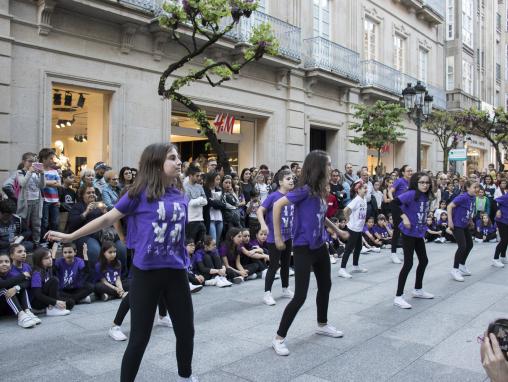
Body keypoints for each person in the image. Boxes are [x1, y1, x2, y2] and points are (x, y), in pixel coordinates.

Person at [46, 142, 198, 382]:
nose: (179, 162)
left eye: (178, 157)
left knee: (186, 332)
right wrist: (71, 236)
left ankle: (185, 376)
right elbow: (108, 218)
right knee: (139, 338)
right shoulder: (138, 194)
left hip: (176, 273)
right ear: (156, 163)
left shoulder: (180, 195)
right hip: (146, 274)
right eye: (172, 158)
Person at [271, 150, 345, 357]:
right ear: (318, 167)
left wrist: (336, 230)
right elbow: (277, 205)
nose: (331, 168)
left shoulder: (319, 190)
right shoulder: (303, 191)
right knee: (300, 296)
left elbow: (320, 216)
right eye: (328, 164)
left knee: (326, 286)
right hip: (303, 247)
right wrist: (277, 237)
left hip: (320, 244)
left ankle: (322, 324)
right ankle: (278, 338)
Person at [66, 186, 127, 279]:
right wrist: (86, 212)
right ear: (82, 195)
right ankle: (97, 279)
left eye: (93, 192)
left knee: (121, 247)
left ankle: (121, 277)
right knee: (95, 250)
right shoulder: (77, 207)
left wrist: (105, 212)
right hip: (87, 235)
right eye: (88, 193)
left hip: (106, 234)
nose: (92, 194)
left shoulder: (100, 206)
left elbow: (113, 221)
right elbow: (72, 224)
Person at [393, 172, 434, 309]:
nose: (425, 185)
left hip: (418, 233)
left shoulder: (426, 196)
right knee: (408, 263)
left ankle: (417, 290)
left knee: (424, 260)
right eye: (422, 182)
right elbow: (394, 203)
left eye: (427, 182)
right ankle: (398, 297)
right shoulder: (410, 194)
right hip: (408, 233)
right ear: (416, 183)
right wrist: (404, 217)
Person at [257, 169, 295, 306]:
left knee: (286, 263)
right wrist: (263, 225)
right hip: (274, 236)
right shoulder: (273, 196)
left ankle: (285, 288)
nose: (291, 181)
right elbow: (260, 210)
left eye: (292, 178)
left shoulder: (293, 196)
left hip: (288, 235)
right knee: (274, 265)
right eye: (288, 179)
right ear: (280, 182)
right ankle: (267, 293)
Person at [448, 180, 478, 282]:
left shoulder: (473, 197)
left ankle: (461, 265)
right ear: (468, 188)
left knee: (470, 245)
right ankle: (455, 269)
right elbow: (449, 206)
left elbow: (469, 210)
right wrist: (450, 221)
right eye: (474, 187)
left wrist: (470, 221)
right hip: (457, 224)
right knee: (462, 246)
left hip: (465, 224)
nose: (476, 189)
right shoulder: (463, 197)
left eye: (477, 187)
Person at [339, 180, 368, 279]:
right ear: (358, 190)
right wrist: (347, 219)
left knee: (359, 247)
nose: (366, 189)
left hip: (359, 229)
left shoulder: (364, 199)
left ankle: (355, 266)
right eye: (364, 188)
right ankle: (342, 269)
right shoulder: (356, 200)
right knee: (348, 249)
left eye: (366, 187)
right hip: (353, 228)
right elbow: (345, 210)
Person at [0, 252, 38, 328]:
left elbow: (27, 282)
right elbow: (2, 284)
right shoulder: (17, 276)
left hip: (7, 307)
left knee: (18, 287)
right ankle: (21, 315)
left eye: (7, 262)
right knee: (4, 290)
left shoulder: (11, 274)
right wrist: (23, 275)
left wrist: (17, 288)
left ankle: (27, 311)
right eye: (0, 262)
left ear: (10, 265)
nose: (4, 264)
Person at [30, 247, 72, 316]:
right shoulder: (36, 274)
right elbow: (38, 295)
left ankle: (47, 308)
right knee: (54, 280)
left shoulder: (48, 269)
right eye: (46, 258)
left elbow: (52, 290)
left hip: (48, 298)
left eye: (50, 257)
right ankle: (52, 309)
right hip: (37, 302)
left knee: (70, 302)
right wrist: (55, 302)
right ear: (39, 260)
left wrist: (58, 300)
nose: (50, 260)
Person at [15, 152, 45, 246]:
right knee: (25, 224)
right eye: (30, 161)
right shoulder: (20, 172)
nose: (32, 164)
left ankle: (36, 243)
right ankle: (23, 245)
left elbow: (42, 186)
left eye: (34, 161)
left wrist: (42, 174)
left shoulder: (37, 173)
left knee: (37, 224)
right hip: (26, 203)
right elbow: (22, 183)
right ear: (24, 161)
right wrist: (29, 172)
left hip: (37, 201)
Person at [388, 165, 413, 265]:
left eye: (411, 171)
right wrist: (392, 200)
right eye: (408, 171)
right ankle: (393, 253)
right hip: (398, 208)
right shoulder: (399, 181)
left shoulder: (411, 182)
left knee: (407, 229)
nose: (410, 172)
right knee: (397, 230)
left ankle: (405, 248)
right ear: (403, 172)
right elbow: (390, 191)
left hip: (407, 209)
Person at [39, 148, 61, 239]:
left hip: (55, 200)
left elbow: (59, 184)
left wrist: (46, 182)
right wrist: (52, 183)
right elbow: (40, 184)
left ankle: (54, 240)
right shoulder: (40, 171)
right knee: (44, 221)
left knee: (55, 222)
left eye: (53, 158)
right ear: (44, 159)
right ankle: (44, 241)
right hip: (44, 200)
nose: (53, 160)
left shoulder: (54, 171)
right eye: (50, 158)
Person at [184, 164, 207, 247]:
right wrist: (200, 199)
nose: (199, 178)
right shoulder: (185, 187)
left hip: (201, 219)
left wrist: (197, 200)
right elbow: (189, 203)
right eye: (197, 176)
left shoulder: (200, 186)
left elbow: (206, 201)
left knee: (201, 244)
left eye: (199, 176)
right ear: (190, 176)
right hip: (191, 220)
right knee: (191, 244)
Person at [203, 172, 225, 243]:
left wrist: (213, 202)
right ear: (211, 180)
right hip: (210, 218)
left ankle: (216, 254)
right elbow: (207, 202)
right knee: (213, 241)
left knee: (218, 241)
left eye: (219, 179)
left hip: (219, 217)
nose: (219, 181)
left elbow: (223, 204)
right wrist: (214, 202)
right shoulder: (205, 189)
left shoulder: (219, 190)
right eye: (217, 179)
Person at [493, 191, 508, 268]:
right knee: (504, 239)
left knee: (506, 239)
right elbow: (495, 201)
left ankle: (503, 256)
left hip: (507, 221)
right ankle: (495, 259)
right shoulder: (506, 197)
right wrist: (498, 210)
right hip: (501, 220)